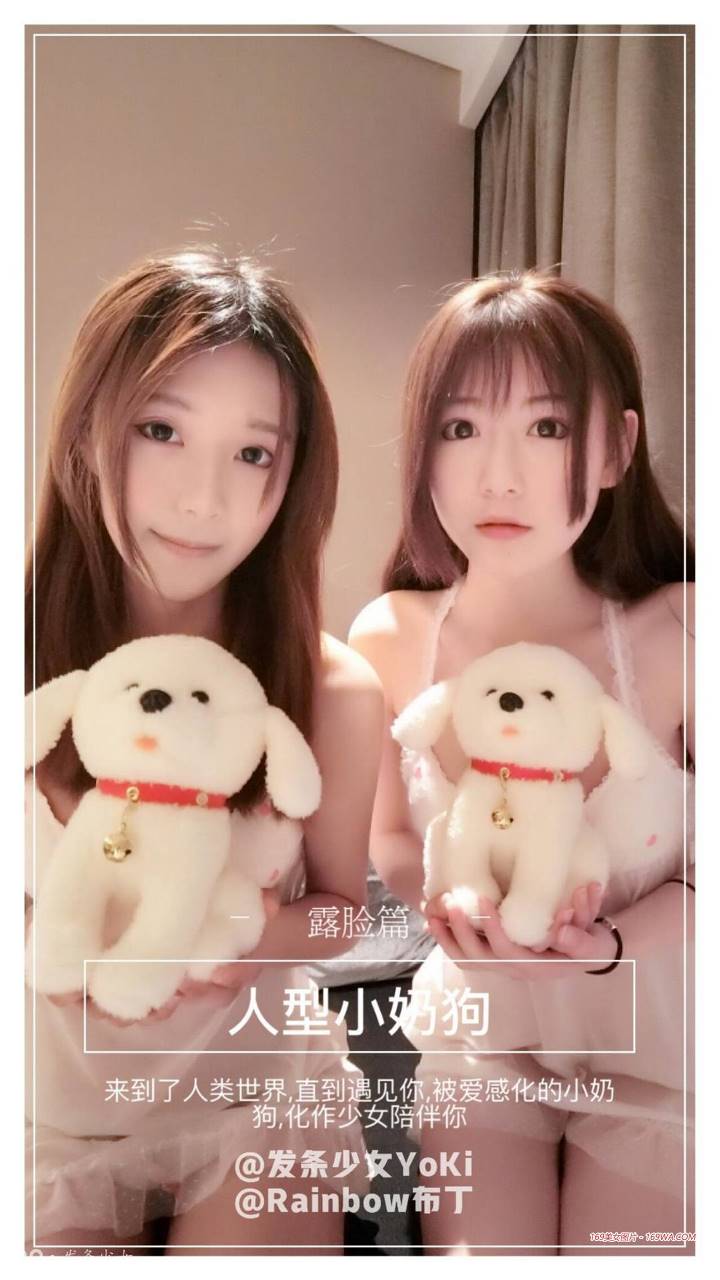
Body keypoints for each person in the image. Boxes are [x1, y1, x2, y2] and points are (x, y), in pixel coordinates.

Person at [25, 247, 384, 1255]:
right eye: (162, 430)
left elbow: (345, 915)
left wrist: (251, 940)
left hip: (254, 1095)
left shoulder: (332, 689)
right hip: (45, 1109)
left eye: (252, 453)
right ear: (91, 428)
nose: (202, 500)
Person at [349, 271, 694, 1256]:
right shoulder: (393, 636)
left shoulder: (680, 632)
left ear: (616, 448)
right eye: (460, 428)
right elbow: (390, 836)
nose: (498, 476)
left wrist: (611, 942)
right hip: (483, 1035)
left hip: (665, 1048)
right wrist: (444, 902)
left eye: (546, 427)